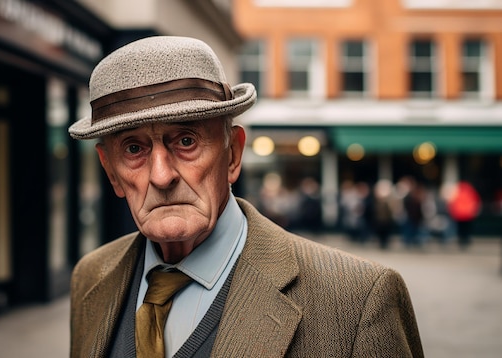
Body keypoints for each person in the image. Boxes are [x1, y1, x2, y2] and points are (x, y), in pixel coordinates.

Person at [68, 36, 423, 358]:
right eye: (134, 148)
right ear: (111, 171)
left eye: (186, 141)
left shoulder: (357, 299)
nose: (162, 176)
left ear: (233, 155)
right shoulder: (92, 277)